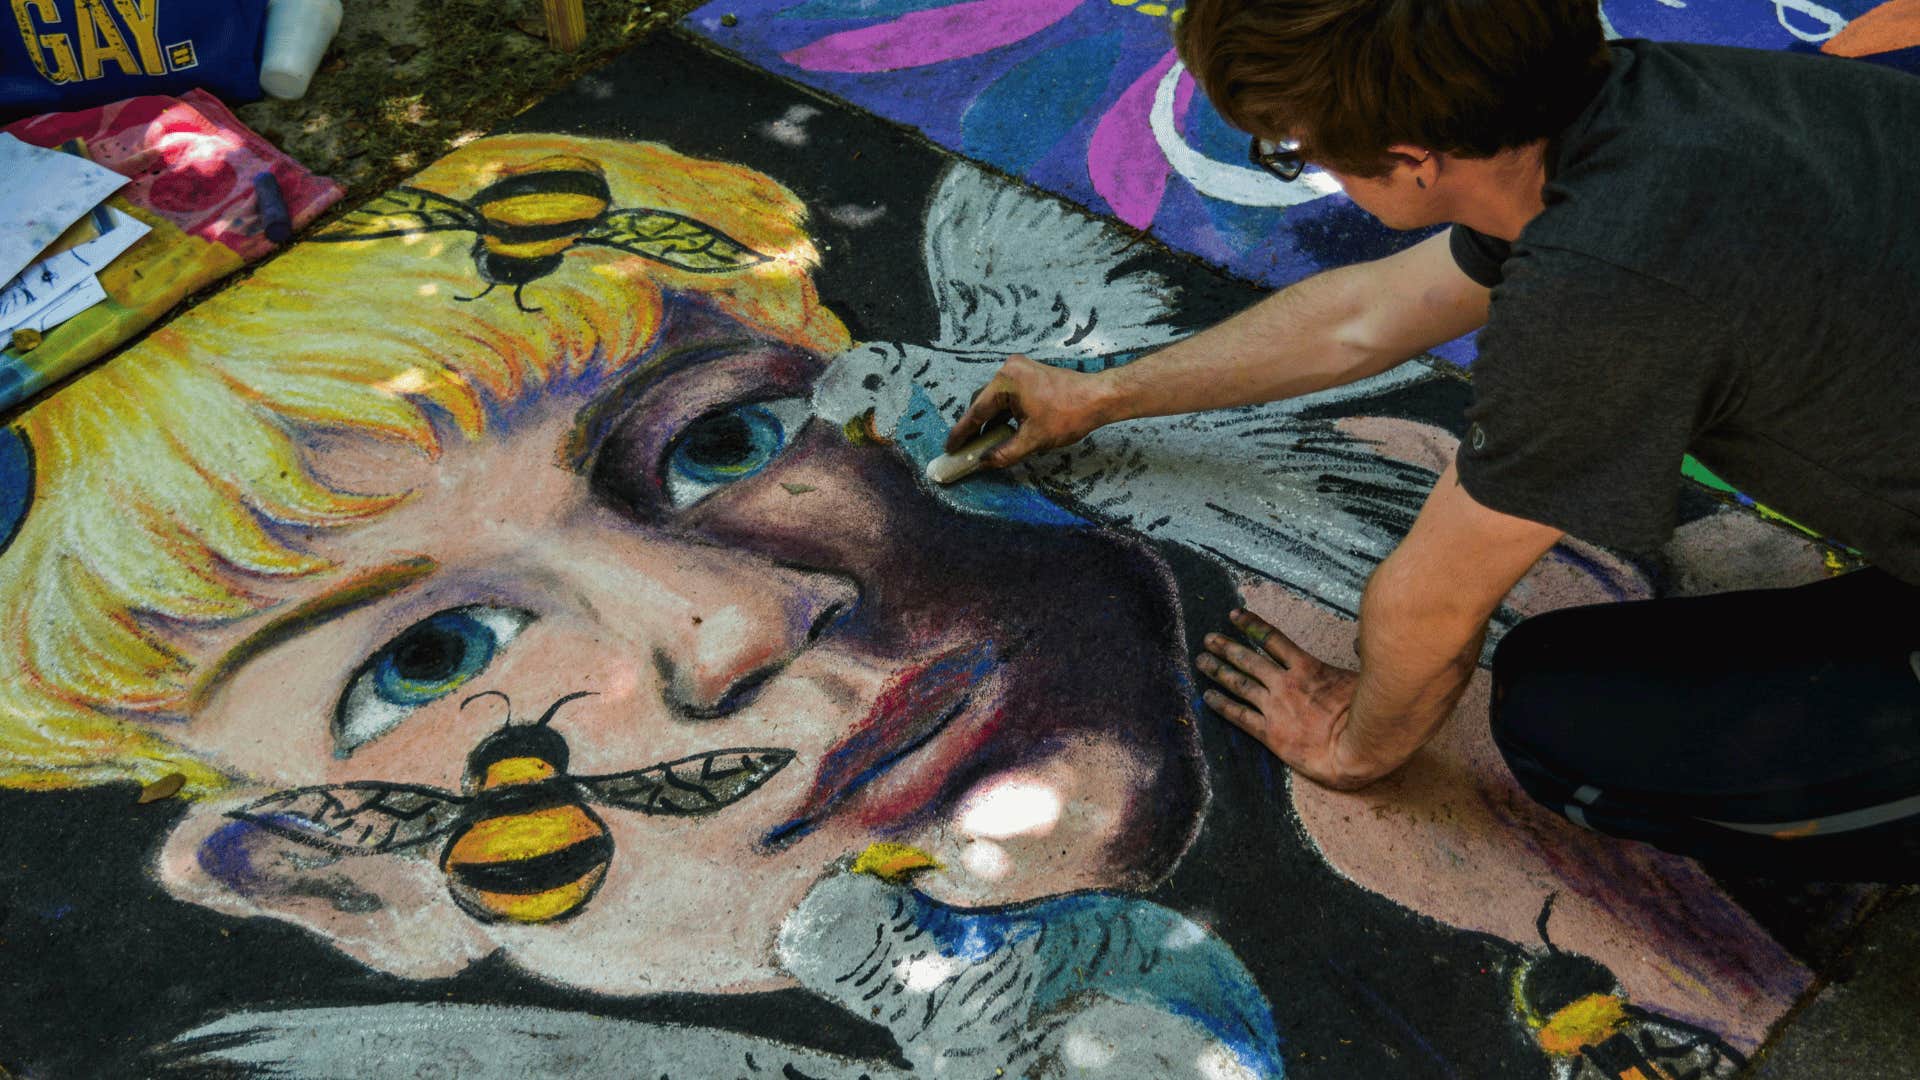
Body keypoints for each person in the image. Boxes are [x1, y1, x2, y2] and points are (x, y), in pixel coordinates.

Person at [943, 0, 1920, 878]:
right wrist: (1101, 394)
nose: (1305, 165)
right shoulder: (1640, 105)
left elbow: (1435, 600)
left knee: (1563, 717)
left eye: (1295, 148)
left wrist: (1353, 745)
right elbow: (1364, 317)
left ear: (1413, 163)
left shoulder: (1604, 299)